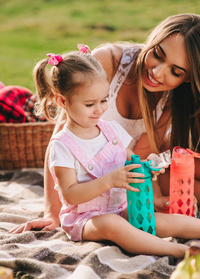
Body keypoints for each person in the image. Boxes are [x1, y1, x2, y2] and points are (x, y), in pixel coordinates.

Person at [10, 13, 200, 234]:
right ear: (153, 40)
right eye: (157, 54)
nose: (157, 72)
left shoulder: (173, 98)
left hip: (117, 190)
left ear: (187, 78)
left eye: (175, 71)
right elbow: (61, 139)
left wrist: (152, 198)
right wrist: (52, 214)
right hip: (87, 190)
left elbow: (139, 156)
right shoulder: (107, 62)